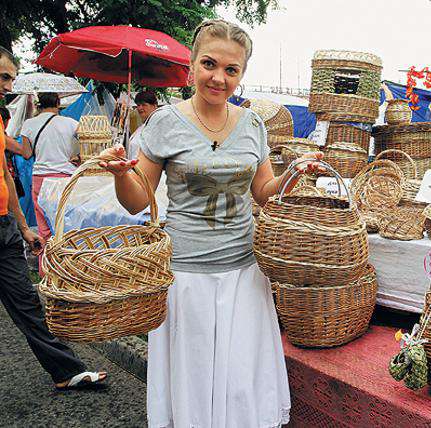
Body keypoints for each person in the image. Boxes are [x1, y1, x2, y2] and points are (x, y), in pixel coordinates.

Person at [99, 19, 323, 427]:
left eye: (231, 69)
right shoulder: (165, 122)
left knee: (239, 383)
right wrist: (119, 173)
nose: (219, 78)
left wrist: (294, 172)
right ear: (191, 65)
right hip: (186, 276)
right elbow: (137, 201)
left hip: (243, 272)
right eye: (209, 64)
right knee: (195, 379)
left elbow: (261, 191)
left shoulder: (253, 125)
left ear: (241, 74)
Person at [0, 46, 107, 390]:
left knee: (28, 301)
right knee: (60, 234)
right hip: (63, 180)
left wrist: (20, 226)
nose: (8, 85)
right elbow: (77, 154)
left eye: (11, 79)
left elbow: (5, 174)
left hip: (13, 215)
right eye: (4, 77)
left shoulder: (14, 121)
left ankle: (65, 370)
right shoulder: (70, 123)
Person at [19, 92, 79, 271]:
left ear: (39, 104)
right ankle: (68, 270)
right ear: (58, 103)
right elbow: (85, 144)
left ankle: (46, 272)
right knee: (65, 226)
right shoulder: (71, 123)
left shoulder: (28, 124)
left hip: (40, 179)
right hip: (64, 179)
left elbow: (26, 154)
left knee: (44, 229)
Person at [128, 90, 159, 159]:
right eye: (138, 105)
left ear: (154, 106)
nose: (139, 108)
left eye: (144, 104)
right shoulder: (142, 127)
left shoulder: (159, 126)